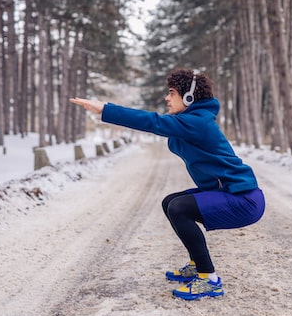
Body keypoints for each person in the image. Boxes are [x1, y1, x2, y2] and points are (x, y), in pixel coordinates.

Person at [70, 69, 265, 301]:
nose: (167, 98)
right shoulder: (191, 121)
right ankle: (197, 265)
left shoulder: (197, 122)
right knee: (170, 202)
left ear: (189, 98)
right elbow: (166, 126)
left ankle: (209, 279)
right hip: (232, 195)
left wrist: (105, 109)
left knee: (179, 207)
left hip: (244, 200)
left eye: (172, 93)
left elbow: (154, 122)